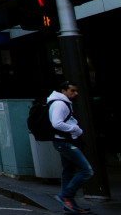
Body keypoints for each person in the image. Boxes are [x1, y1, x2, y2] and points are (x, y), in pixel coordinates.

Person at [49, 81, 93, 214]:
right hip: (64, 142)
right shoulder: (59, 104)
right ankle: (65, 196)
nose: (76, 93)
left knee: (67, 172)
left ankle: (68, 205)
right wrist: (75, 129)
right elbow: (57, 123)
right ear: (63, 91)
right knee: (86, 171)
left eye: (76, 90)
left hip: (63, 141)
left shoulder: (60, 102)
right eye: (72, 91)